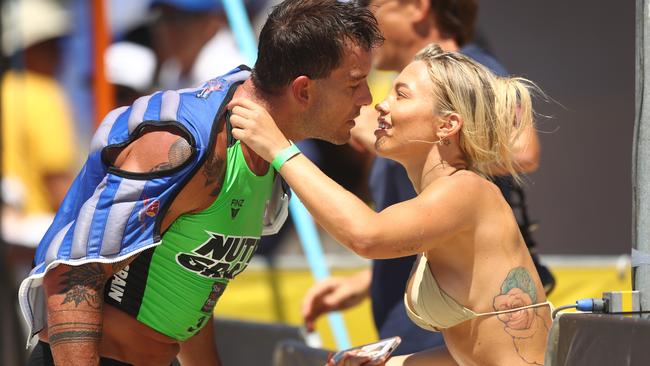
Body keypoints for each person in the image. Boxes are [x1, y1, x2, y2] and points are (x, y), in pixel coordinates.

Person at [18, 1, 383, 365]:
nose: (366, 99)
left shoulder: (265, 144)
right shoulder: (184, 146)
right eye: (354, 84)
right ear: (303, 91)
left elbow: (192, 291)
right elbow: (72, 276)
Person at [229, 43, 552, 365]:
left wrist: (279, 149)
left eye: (402, 94)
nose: (381, 104)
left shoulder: (466, 190)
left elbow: (367, 235)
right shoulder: (451, 195)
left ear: (447, 125)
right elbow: (471, 352)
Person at [300, 0, 552, 356]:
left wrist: (280, 150)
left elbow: (523, 150)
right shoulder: (451, 187)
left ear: (417, 6)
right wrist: (369, 282)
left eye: (369, 4)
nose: (380, 105)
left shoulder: (467, 74)